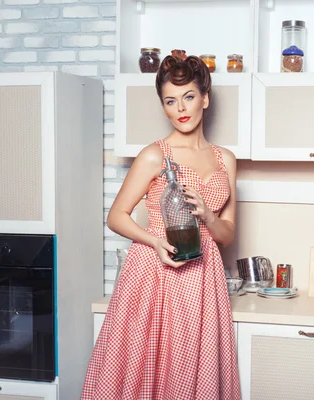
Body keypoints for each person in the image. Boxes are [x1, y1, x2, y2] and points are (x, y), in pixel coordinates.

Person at [81, 55, 241, 400]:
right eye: (170, 100)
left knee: (190, 366)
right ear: (163, 106)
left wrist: (208, 216)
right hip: (155, 270)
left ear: (205, 98)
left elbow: (226, 235)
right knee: (146, 363)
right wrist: (154, 242)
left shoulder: (224, 159)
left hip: (203, 274)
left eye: (188, 96)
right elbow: (117, 216)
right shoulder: (155, 155)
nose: (180, 108)